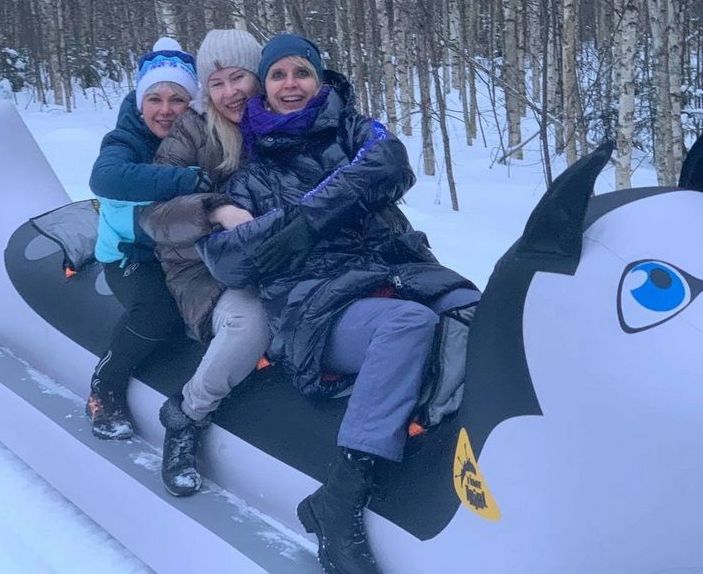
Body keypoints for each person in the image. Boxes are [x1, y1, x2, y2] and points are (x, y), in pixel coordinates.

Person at [198, 33, 480, 574]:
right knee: (407, 324)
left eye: (301, 72)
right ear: (264, 88)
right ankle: (342, 496)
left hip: (398, 273)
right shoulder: (251, 172)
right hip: (317, 308)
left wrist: (309, 217)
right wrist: (285, 230)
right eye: (278, 75)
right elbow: (225, 258)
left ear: (319, 78)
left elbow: (391, 162)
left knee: (478, 310)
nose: (291, 85)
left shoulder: (354, 130)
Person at [139, 29, 269, 497]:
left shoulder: (284, 120)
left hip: (278, 259)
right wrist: (213, 210)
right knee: (250, 321)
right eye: (217, 83)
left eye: (239, 78)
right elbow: (153, 215)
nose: (230, 92)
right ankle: (186, 416)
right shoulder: (191, 133)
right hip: (203, 266)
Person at [87, 37, 208, 440]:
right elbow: (105, 178)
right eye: (154, 99)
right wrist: (189, 180)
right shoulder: (126, 140)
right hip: (133, 254)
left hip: (187, 253)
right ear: (140, 103)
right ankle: (106, 383)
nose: (166, 110)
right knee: (159, 312)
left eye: (178, 99)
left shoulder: (201, 135)